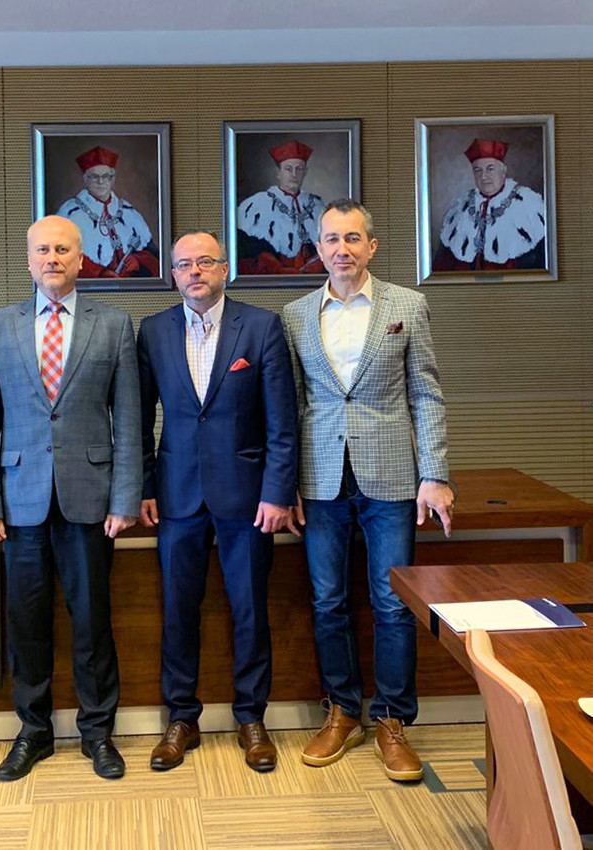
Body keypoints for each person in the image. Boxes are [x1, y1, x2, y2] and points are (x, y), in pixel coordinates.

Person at [282, 199, 454, 783]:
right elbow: (292, 406)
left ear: (371, 246)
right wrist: (286, 484)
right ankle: (342, 711)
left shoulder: (407, 306)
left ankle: (393, 720)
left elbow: (426, 393)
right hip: (320, 478)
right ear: (319, 248)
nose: (342, 249)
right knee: (328, 601)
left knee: (392, 603)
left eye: (352, 238)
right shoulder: (295, 315)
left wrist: (435, 474)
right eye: (331, 239)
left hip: (392, 478)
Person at [0, 214, 141, 781]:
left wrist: (125, 497)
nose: (53, 259)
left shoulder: (113, 325)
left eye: (63, 250)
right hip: (19, 500)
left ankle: (98, 733)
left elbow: (130, 419)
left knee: (92, 621)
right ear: (28, 259)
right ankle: (33, 732)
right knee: (27, 623)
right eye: (42, 250)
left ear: (81, 259)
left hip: (90, 498)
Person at [137, 231, 298, 773]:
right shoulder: (154, 330)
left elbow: (282, 421)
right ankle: (181, 718)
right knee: (178, 610)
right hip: (176, 495)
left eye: (205, 261)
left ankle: (252, 717)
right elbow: (139, 419)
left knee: (249, 609)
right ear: (174, 275)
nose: (195, 272)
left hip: (247, 497)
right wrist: (145, 487)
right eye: (184, 264)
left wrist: (277, 491)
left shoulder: (261, 326)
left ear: (224, 268)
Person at [433, 138, 546, 272]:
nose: (484, 176)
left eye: (490, 169)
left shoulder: (529, 205)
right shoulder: (461, 209)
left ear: (503, 171)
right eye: (478, 170)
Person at [55, 145, 157, 278]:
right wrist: (100, 272)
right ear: (85, 179)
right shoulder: (70, 212)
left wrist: (137, 260)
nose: (100, 181)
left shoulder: (128, 211)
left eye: (105, 176)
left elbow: (154, 257)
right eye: (94, 177)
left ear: (112, 180)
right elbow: (61, 256)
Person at [236, 140, 325, 275]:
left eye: (299, 169)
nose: (294, 174)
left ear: (305, 172)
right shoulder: (256, 204)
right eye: (288, 169)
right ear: (278, 172)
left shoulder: (317, 204)